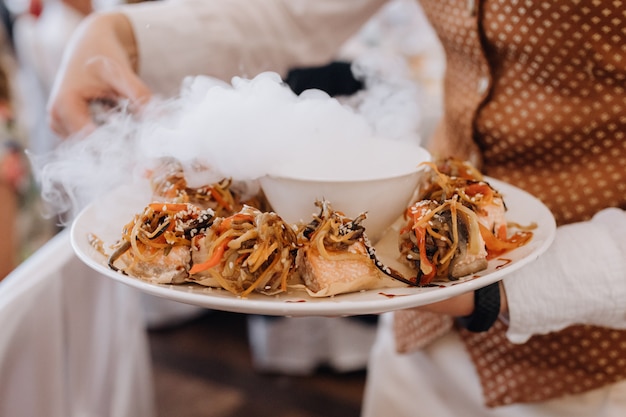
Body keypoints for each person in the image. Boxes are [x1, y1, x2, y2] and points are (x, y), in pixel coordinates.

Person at [46, 0, 626, 416]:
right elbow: (293, 13)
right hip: (416, 325)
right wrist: (122, 32)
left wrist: (503, 288)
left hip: (591, 363)